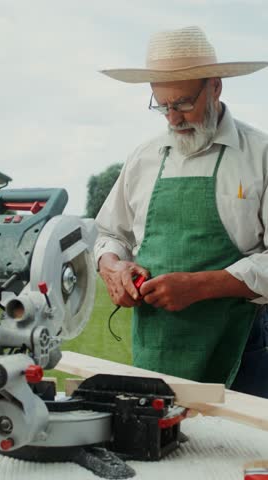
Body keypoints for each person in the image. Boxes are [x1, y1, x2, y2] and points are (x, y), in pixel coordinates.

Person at [94, 26, 268, 397]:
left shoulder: (260, 156)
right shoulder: (144, 157)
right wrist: (112, 267)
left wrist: (200, 287)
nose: (173, 118)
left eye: (185, 103)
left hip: (242, 353)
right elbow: (109, 234)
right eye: (163, 105)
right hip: (157, 352)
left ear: (216, 86)